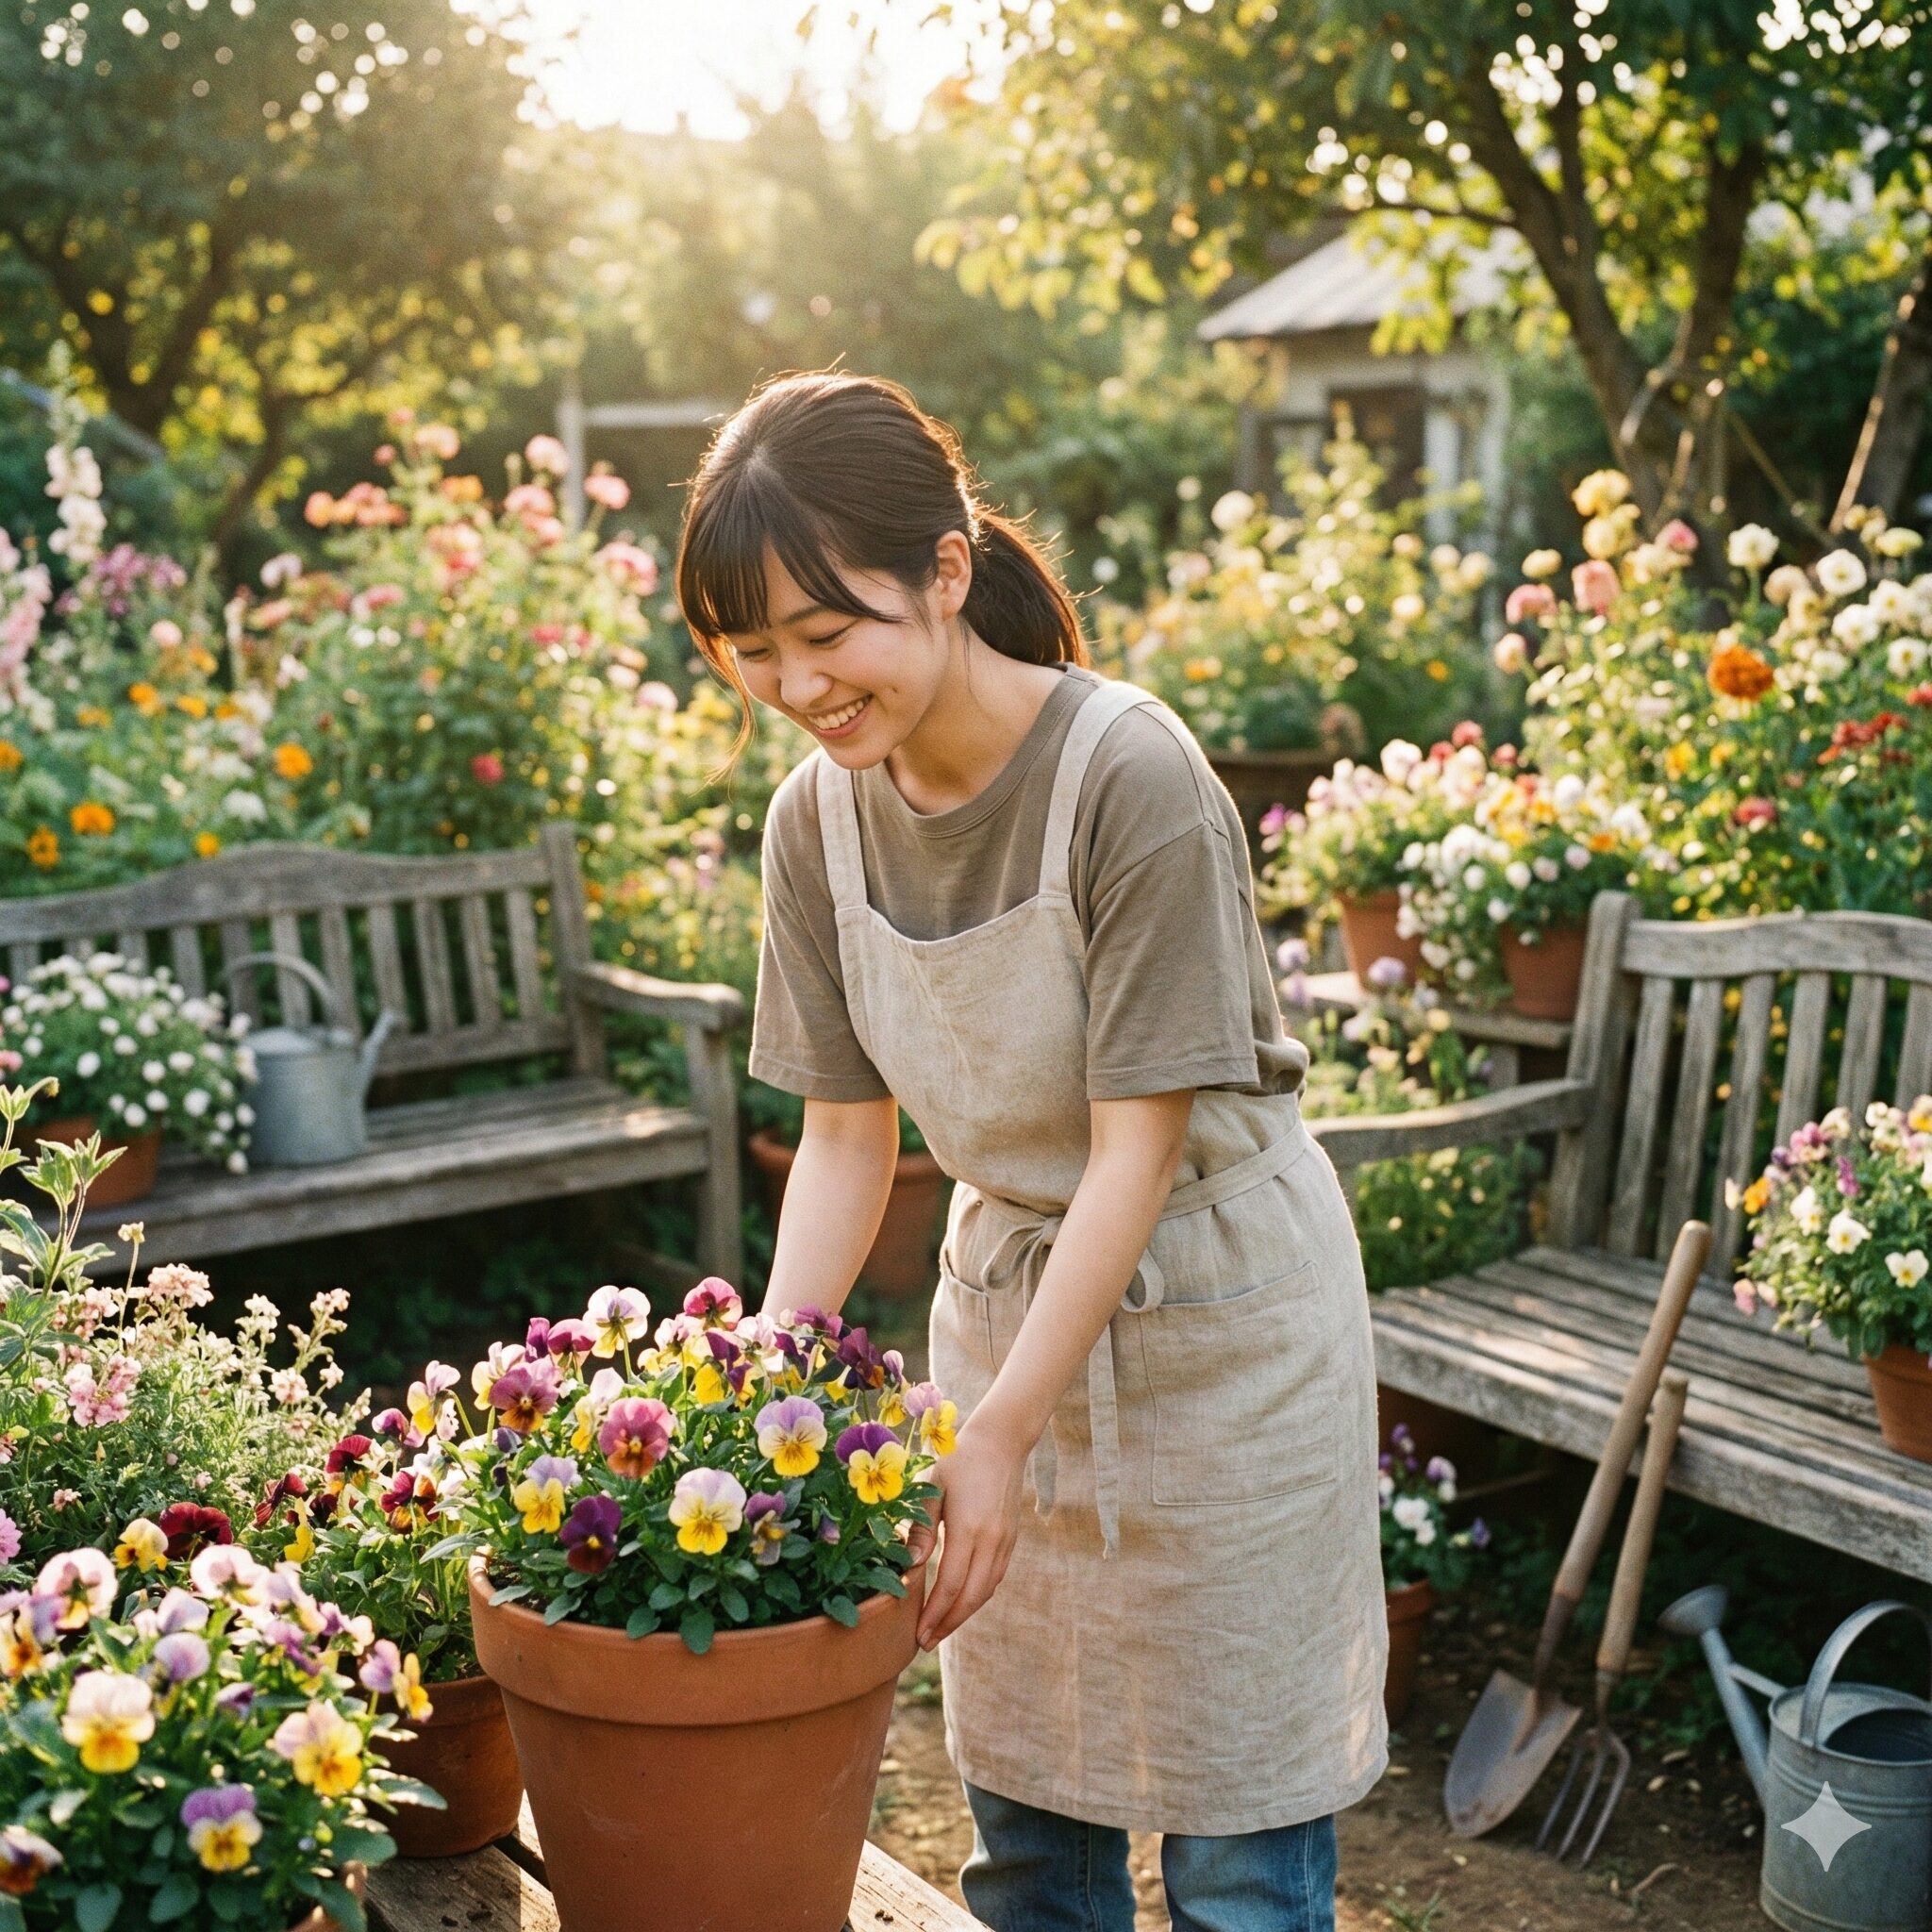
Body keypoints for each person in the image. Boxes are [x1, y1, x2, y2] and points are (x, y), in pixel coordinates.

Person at [675, 370, 1386, 1932]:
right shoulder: (818, 819)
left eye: (827, 632)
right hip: (1004, 1307)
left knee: (1239, 1856)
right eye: (753, 651)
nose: (798, 685)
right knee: (1032, 1833)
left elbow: (1139, 1151)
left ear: (943, 571)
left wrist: (994, 1434)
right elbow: (846, 1145)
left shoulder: (1127, 775)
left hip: (1224, 1323)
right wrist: (749, 1382)